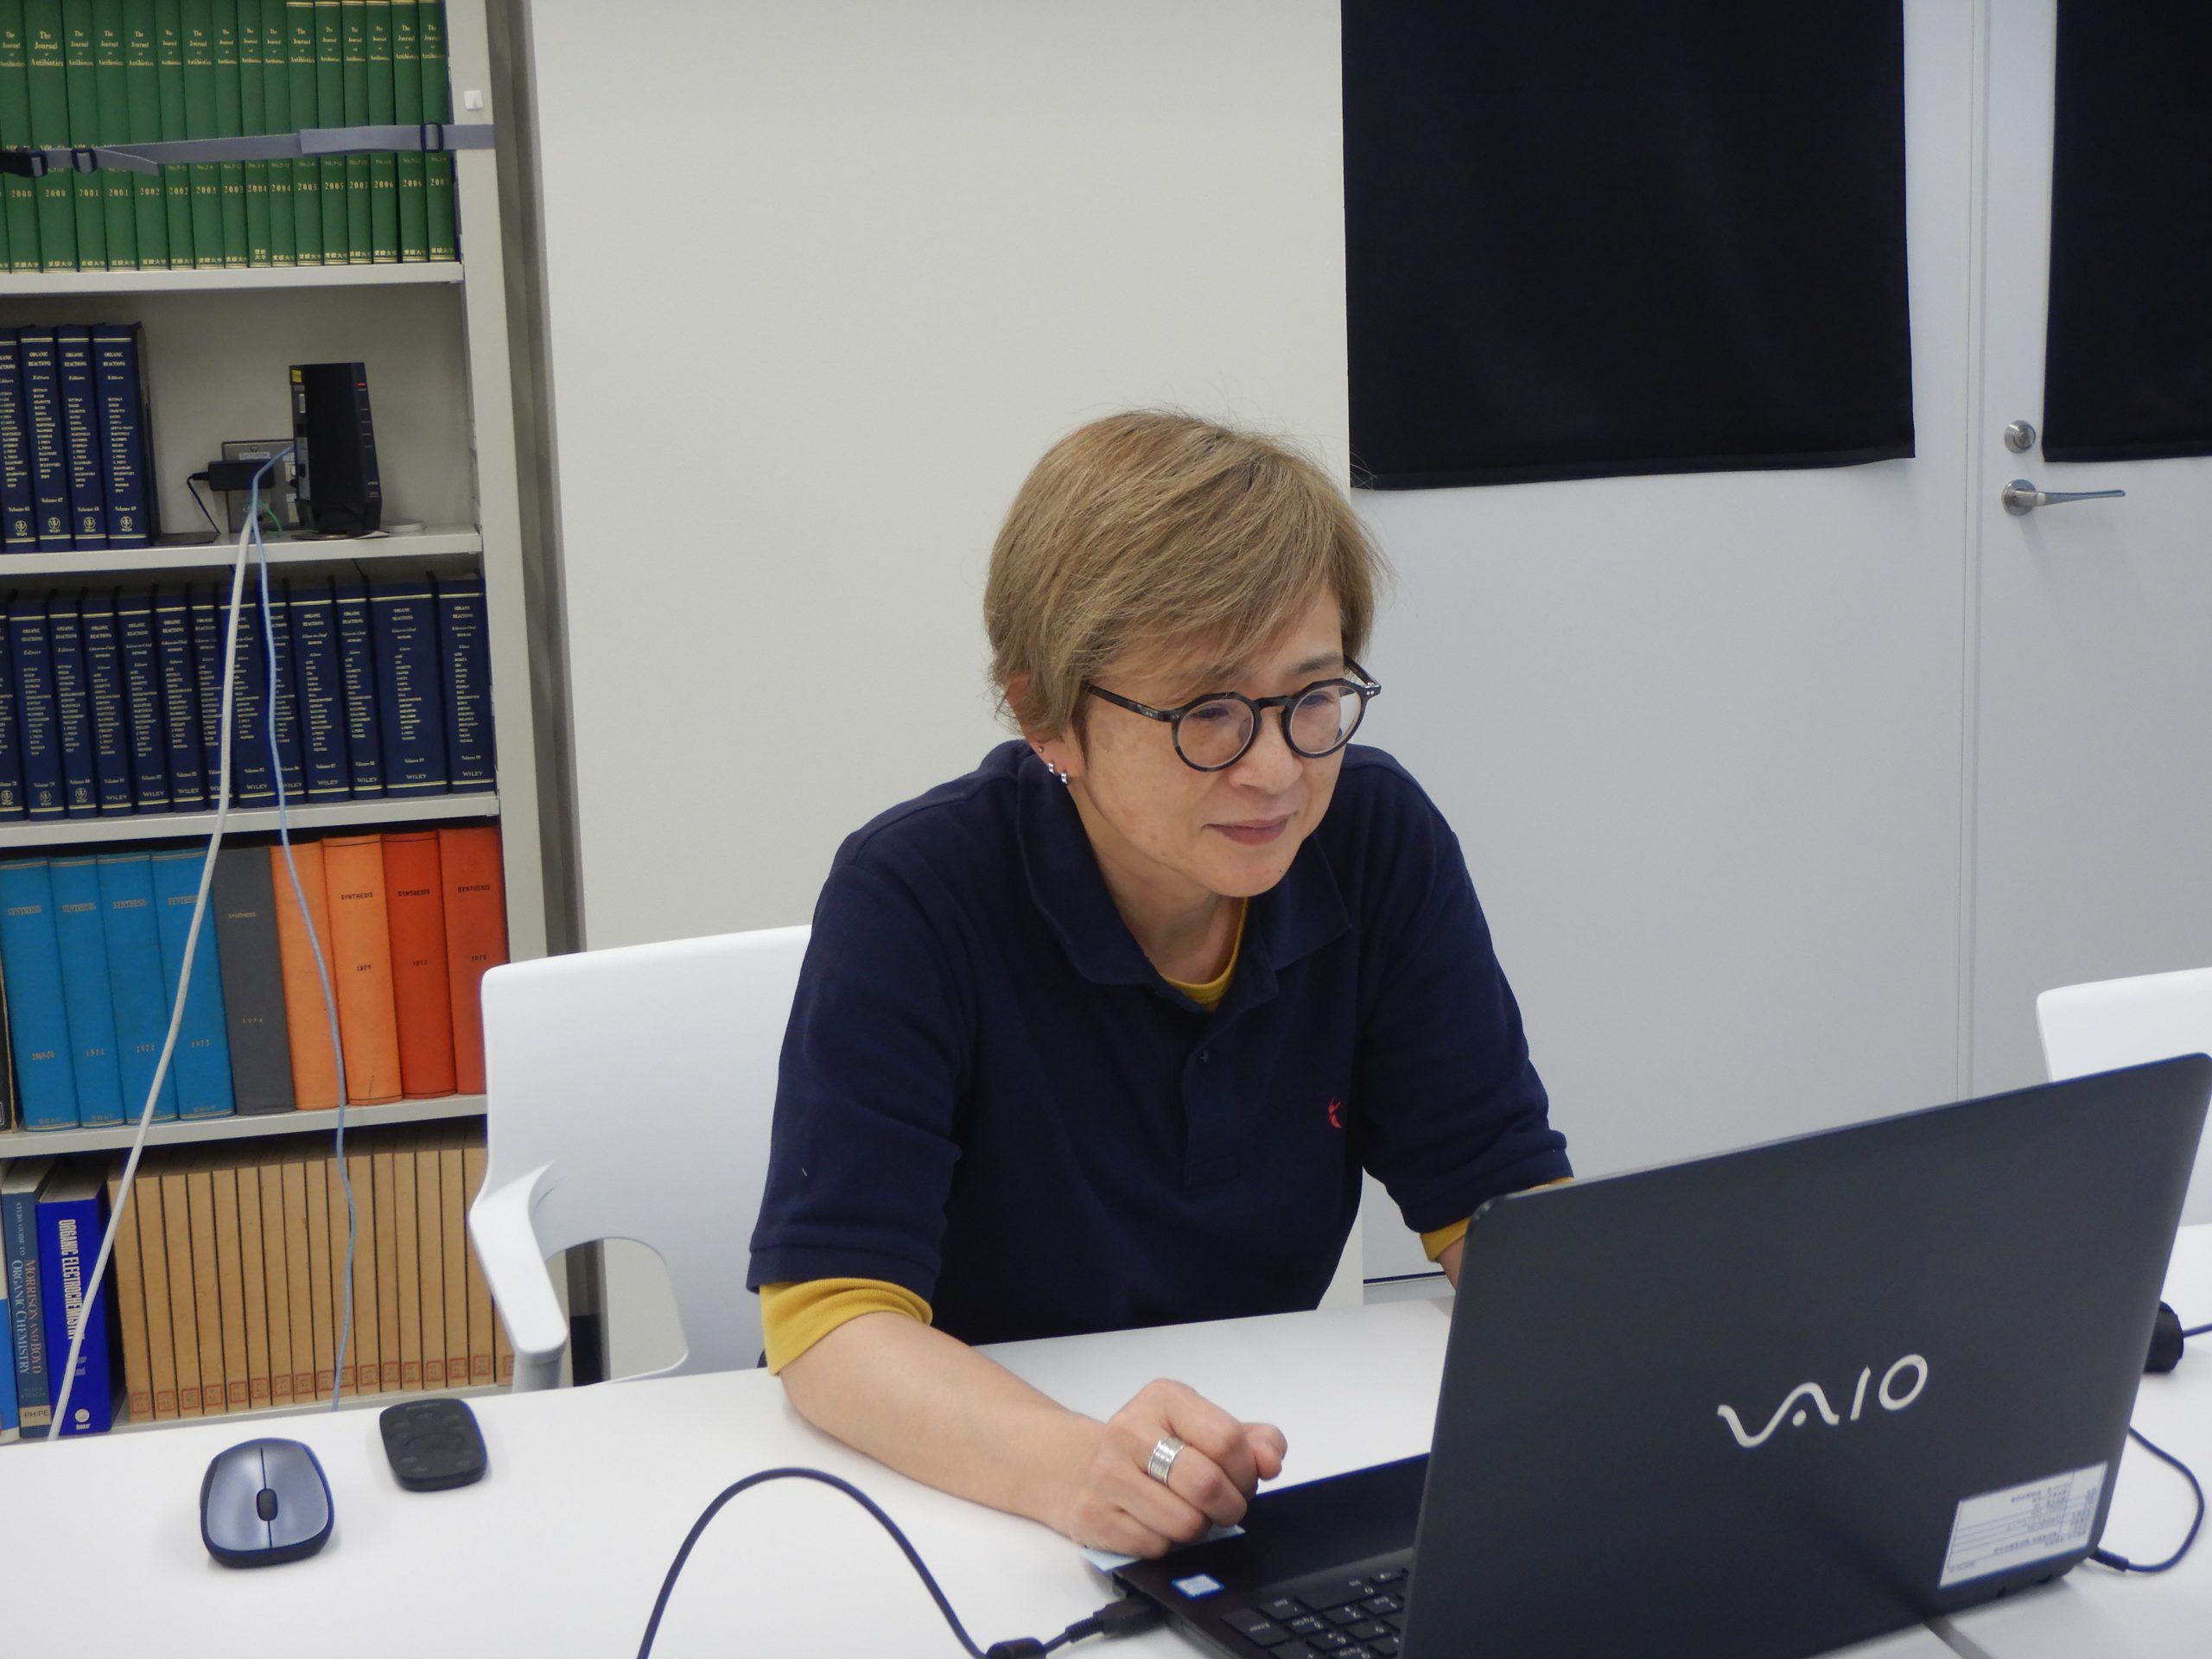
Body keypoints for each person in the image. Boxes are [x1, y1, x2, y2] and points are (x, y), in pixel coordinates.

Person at [747, 410, 1569, 1559]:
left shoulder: (1374, 841)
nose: (1275, 769)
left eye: (1312, 697)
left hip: (1258, 1465)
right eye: (1207, 713)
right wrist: (1073, 1468)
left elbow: (1503, 1212)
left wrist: (1652, 1392)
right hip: (966, 1497)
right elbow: (831, 1324)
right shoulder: (916, 892)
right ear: (1046, 716)